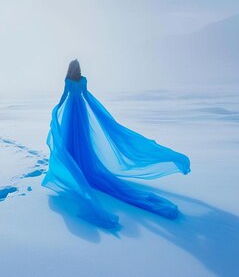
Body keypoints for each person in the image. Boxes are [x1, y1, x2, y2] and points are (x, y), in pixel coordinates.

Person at [42, 59, 190, 228]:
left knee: (70, 138)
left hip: (71, 110)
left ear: (70, 68)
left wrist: (57, 109)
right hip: (81, 111)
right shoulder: (82, 80)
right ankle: (80, 165)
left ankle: (75, 167)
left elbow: (65, 96)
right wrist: (97, 112)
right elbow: (86, 97)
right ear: (79, 69)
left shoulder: (68, 80)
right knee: (82, 140)